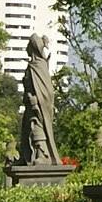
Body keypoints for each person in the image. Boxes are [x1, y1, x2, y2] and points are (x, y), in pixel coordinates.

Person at [18, 32, 60, 166]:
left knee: (37, 125)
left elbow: (47, 91)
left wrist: (37, 100)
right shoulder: (32, 66)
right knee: (27, 129)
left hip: (38, 106)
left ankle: (43, 153)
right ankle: (27, 156)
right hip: (29, 105)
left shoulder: (40, 66)